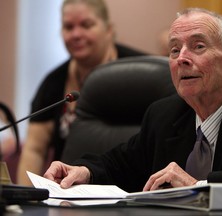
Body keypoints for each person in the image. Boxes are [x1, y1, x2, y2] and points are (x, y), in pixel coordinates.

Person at [43, 8, 222, 193]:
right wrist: (84, 171)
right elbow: (123, 163)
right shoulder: (164, 114)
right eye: (174, 50)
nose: (182, 58)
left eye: (198, 46)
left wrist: (199, 185)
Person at [17, 0, 146, 186]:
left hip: (130, 194)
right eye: (68, 27)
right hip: (68, 194)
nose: (76, 34)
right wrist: (23, 199)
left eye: (86, 25)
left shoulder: (143, 73)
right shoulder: (53, 83)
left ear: (109, 29)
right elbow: (35, 150)